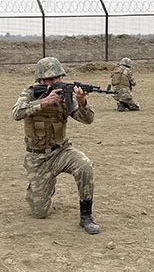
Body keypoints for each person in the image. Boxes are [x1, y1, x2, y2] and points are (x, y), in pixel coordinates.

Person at [11, 57, 100, 235]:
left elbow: (87, 120)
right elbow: (16, 113)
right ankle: (43, 186)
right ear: (41, 80)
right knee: (39, 212)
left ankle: (86, 216)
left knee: (84, 165)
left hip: (61, 151)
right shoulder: (30, 93)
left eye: (57, 77)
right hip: (38, 157)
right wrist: (44, 102)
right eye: (49, 79)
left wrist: (82, 101)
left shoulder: (65, 96)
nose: (54, 82)